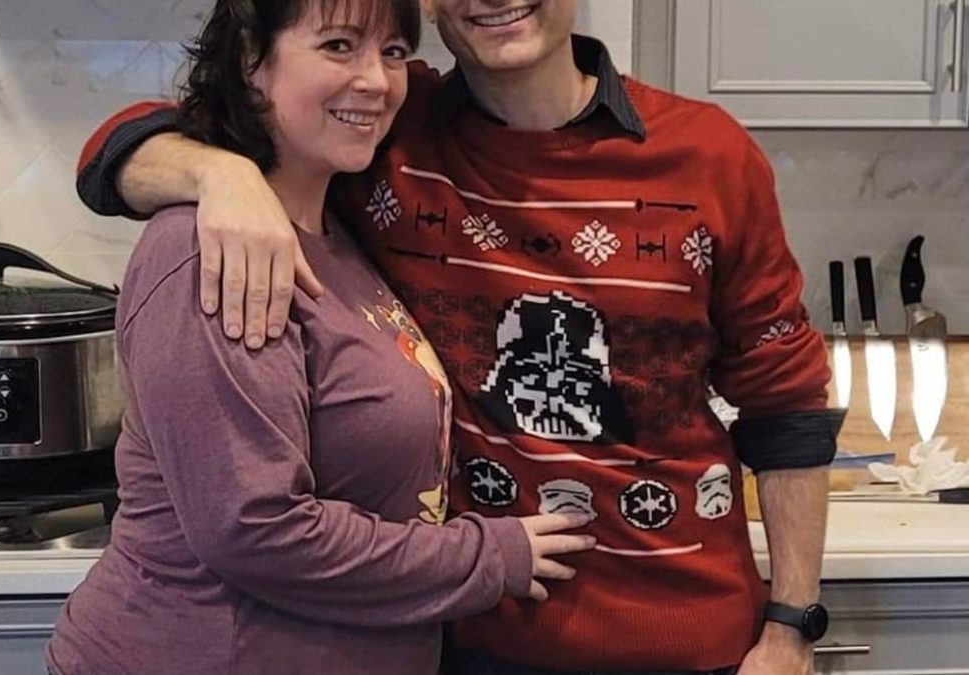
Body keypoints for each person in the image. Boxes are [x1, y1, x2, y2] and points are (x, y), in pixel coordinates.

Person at [74, 1, 847, 674]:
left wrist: (791, 626)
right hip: (473, 636)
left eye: (385, 50)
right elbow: (111, 149)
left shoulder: (708, 155)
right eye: (344, 46)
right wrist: (218, 175)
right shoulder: (393, 133)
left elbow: (786, 403)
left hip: (684, 637)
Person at [47, 2, 597, 674]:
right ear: (250, 59)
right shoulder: (214, 253)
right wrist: (488, 555)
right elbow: (255, 529)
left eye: (393, 52)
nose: (376, 80)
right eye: (339, 45)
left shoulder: (339, 231)